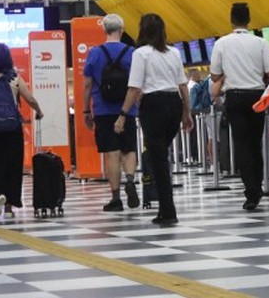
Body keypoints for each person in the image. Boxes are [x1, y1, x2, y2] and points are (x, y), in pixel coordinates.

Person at [114, 14, 193, 226]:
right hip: (173, 104)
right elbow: (183, 85)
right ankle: (167, 208)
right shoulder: (174, 52)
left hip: (153, 106)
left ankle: (168, 211)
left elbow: (134, 88)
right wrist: (187, 112)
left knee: (158, 159)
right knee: (160, 156)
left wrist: (122, 114)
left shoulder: (140, 54)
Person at [210, 2, 269, 211]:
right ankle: (257, 186)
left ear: (231, 20)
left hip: (235, 96)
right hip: (257, 96)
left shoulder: (222, 43)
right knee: (256, 142)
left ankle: (251, 192)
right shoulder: (261, 43)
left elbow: (214, 75)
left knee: (241, 144)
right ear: (249, 20)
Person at [82, 13, 139, 212]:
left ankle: (115, 198)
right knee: (129, 148)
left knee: (111, 153)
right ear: (122, 30)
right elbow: (137, 84)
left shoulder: (95, 53)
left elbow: (88, 84)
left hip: (103, 109)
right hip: (128, 108)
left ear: (104, 30)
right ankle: (130, 180)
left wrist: (85, 110)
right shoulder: (132, 52)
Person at [0, 43, 43, 217]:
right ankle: (9, 206)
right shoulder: (14, 77)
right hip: (12, 127)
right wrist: (39, 111)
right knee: (13, 165)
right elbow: (29, 98)